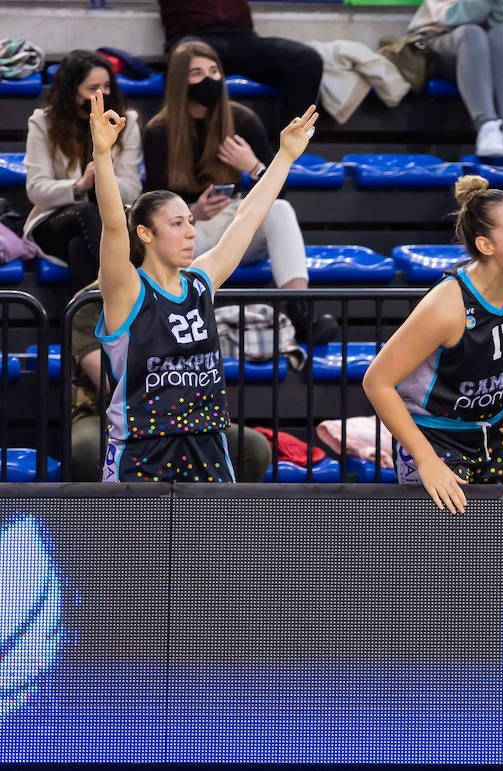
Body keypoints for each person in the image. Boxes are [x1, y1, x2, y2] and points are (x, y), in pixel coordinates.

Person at [90, 89, 318, 482]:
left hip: (207, 442)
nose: (189, 232)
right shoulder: (127, 289)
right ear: (144, 233)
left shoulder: (200, 281)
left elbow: (248, 216)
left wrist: (285, 157)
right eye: (176, 224)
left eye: (190, 222)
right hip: (144, 448)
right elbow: (113, 224)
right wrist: (101, 154)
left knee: (215, 546)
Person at [363, 175, 503, 515]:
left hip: (495, 431)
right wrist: (426, 460)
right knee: (444, 556)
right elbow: (377, 382)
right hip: (435, 436)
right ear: (486, 245)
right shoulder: (446, 307)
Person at [143, 40, 336, 345]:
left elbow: (280, 192)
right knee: (173, 232)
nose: (208, 79)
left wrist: (254, 166)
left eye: (213, 70)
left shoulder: (242, 119)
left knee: (280, 211)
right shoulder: (159, 131)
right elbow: (150, 203)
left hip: (236, 219)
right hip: (192, 229)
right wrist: (191, 212)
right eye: (196, 73)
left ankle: (301, 311)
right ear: (180, 81)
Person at [66, 281, 270, 484]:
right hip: (104, 413)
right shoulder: (91, 300)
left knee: (253, 448)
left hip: (184, 413)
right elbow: (112, 382)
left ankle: (205, 513)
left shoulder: (185, 289)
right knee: (86, 449)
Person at [24, 51, 142, 306]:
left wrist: (105, 178)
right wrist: (81, 185)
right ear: (71, 91)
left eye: (107, 86)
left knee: (81, 248)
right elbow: (36, 189)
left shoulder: (125, 121)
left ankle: (83, 332)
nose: (102, 94)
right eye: (93, 88)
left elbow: (132, 189)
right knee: (89, 213)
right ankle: (128, 296)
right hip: (57, 220)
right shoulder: (43, 122)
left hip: (108, 223)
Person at [156, 0, 323, 127]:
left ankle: (286, 151)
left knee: (306, 60)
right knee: (185, 59)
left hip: (240, 37)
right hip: (192, 36)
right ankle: (188, 152)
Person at [407, 0, 503, 162]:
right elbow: (455, 18)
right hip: (438, 44)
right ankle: (486, 126)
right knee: (472, 33)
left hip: (486, 46)